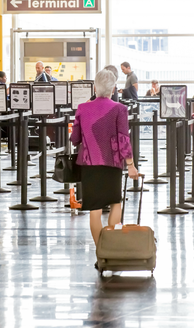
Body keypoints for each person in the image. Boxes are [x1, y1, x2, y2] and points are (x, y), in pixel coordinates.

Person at [70, 69, 139, 262]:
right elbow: (124, 139)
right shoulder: (119, 109)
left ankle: (101, 252)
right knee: (115, 202)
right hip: (113, 164)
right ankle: (112, 249)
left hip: (89, 164)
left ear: (95, 87)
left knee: (95, 209)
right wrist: (131, 165)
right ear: (114, 88)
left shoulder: (82, 108)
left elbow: (74, 139)